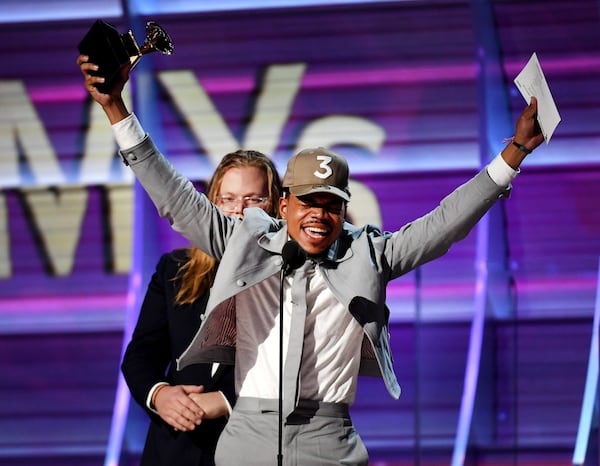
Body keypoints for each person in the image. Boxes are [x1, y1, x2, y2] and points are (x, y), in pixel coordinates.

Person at [78, 54, 545, 465]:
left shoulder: (371, 253)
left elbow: (444, 224)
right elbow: (175, 196)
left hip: (328, 440)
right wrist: (117, 109)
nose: (319, 215)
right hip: (245, 444)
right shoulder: (247, 243)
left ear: (344, 209)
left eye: (331, 204)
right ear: (284, 206)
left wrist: (514, 153)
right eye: (307, 202)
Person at [121, 149, 281, 466]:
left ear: (276, 206)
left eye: (254, 200)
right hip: (174, 451)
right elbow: (140, 356)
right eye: (229, 199)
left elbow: (302, 374)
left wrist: (225, 401)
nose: (239, 212)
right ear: (212, 204)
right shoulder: (174, 270)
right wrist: (160, 395)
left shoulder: (292, 279)